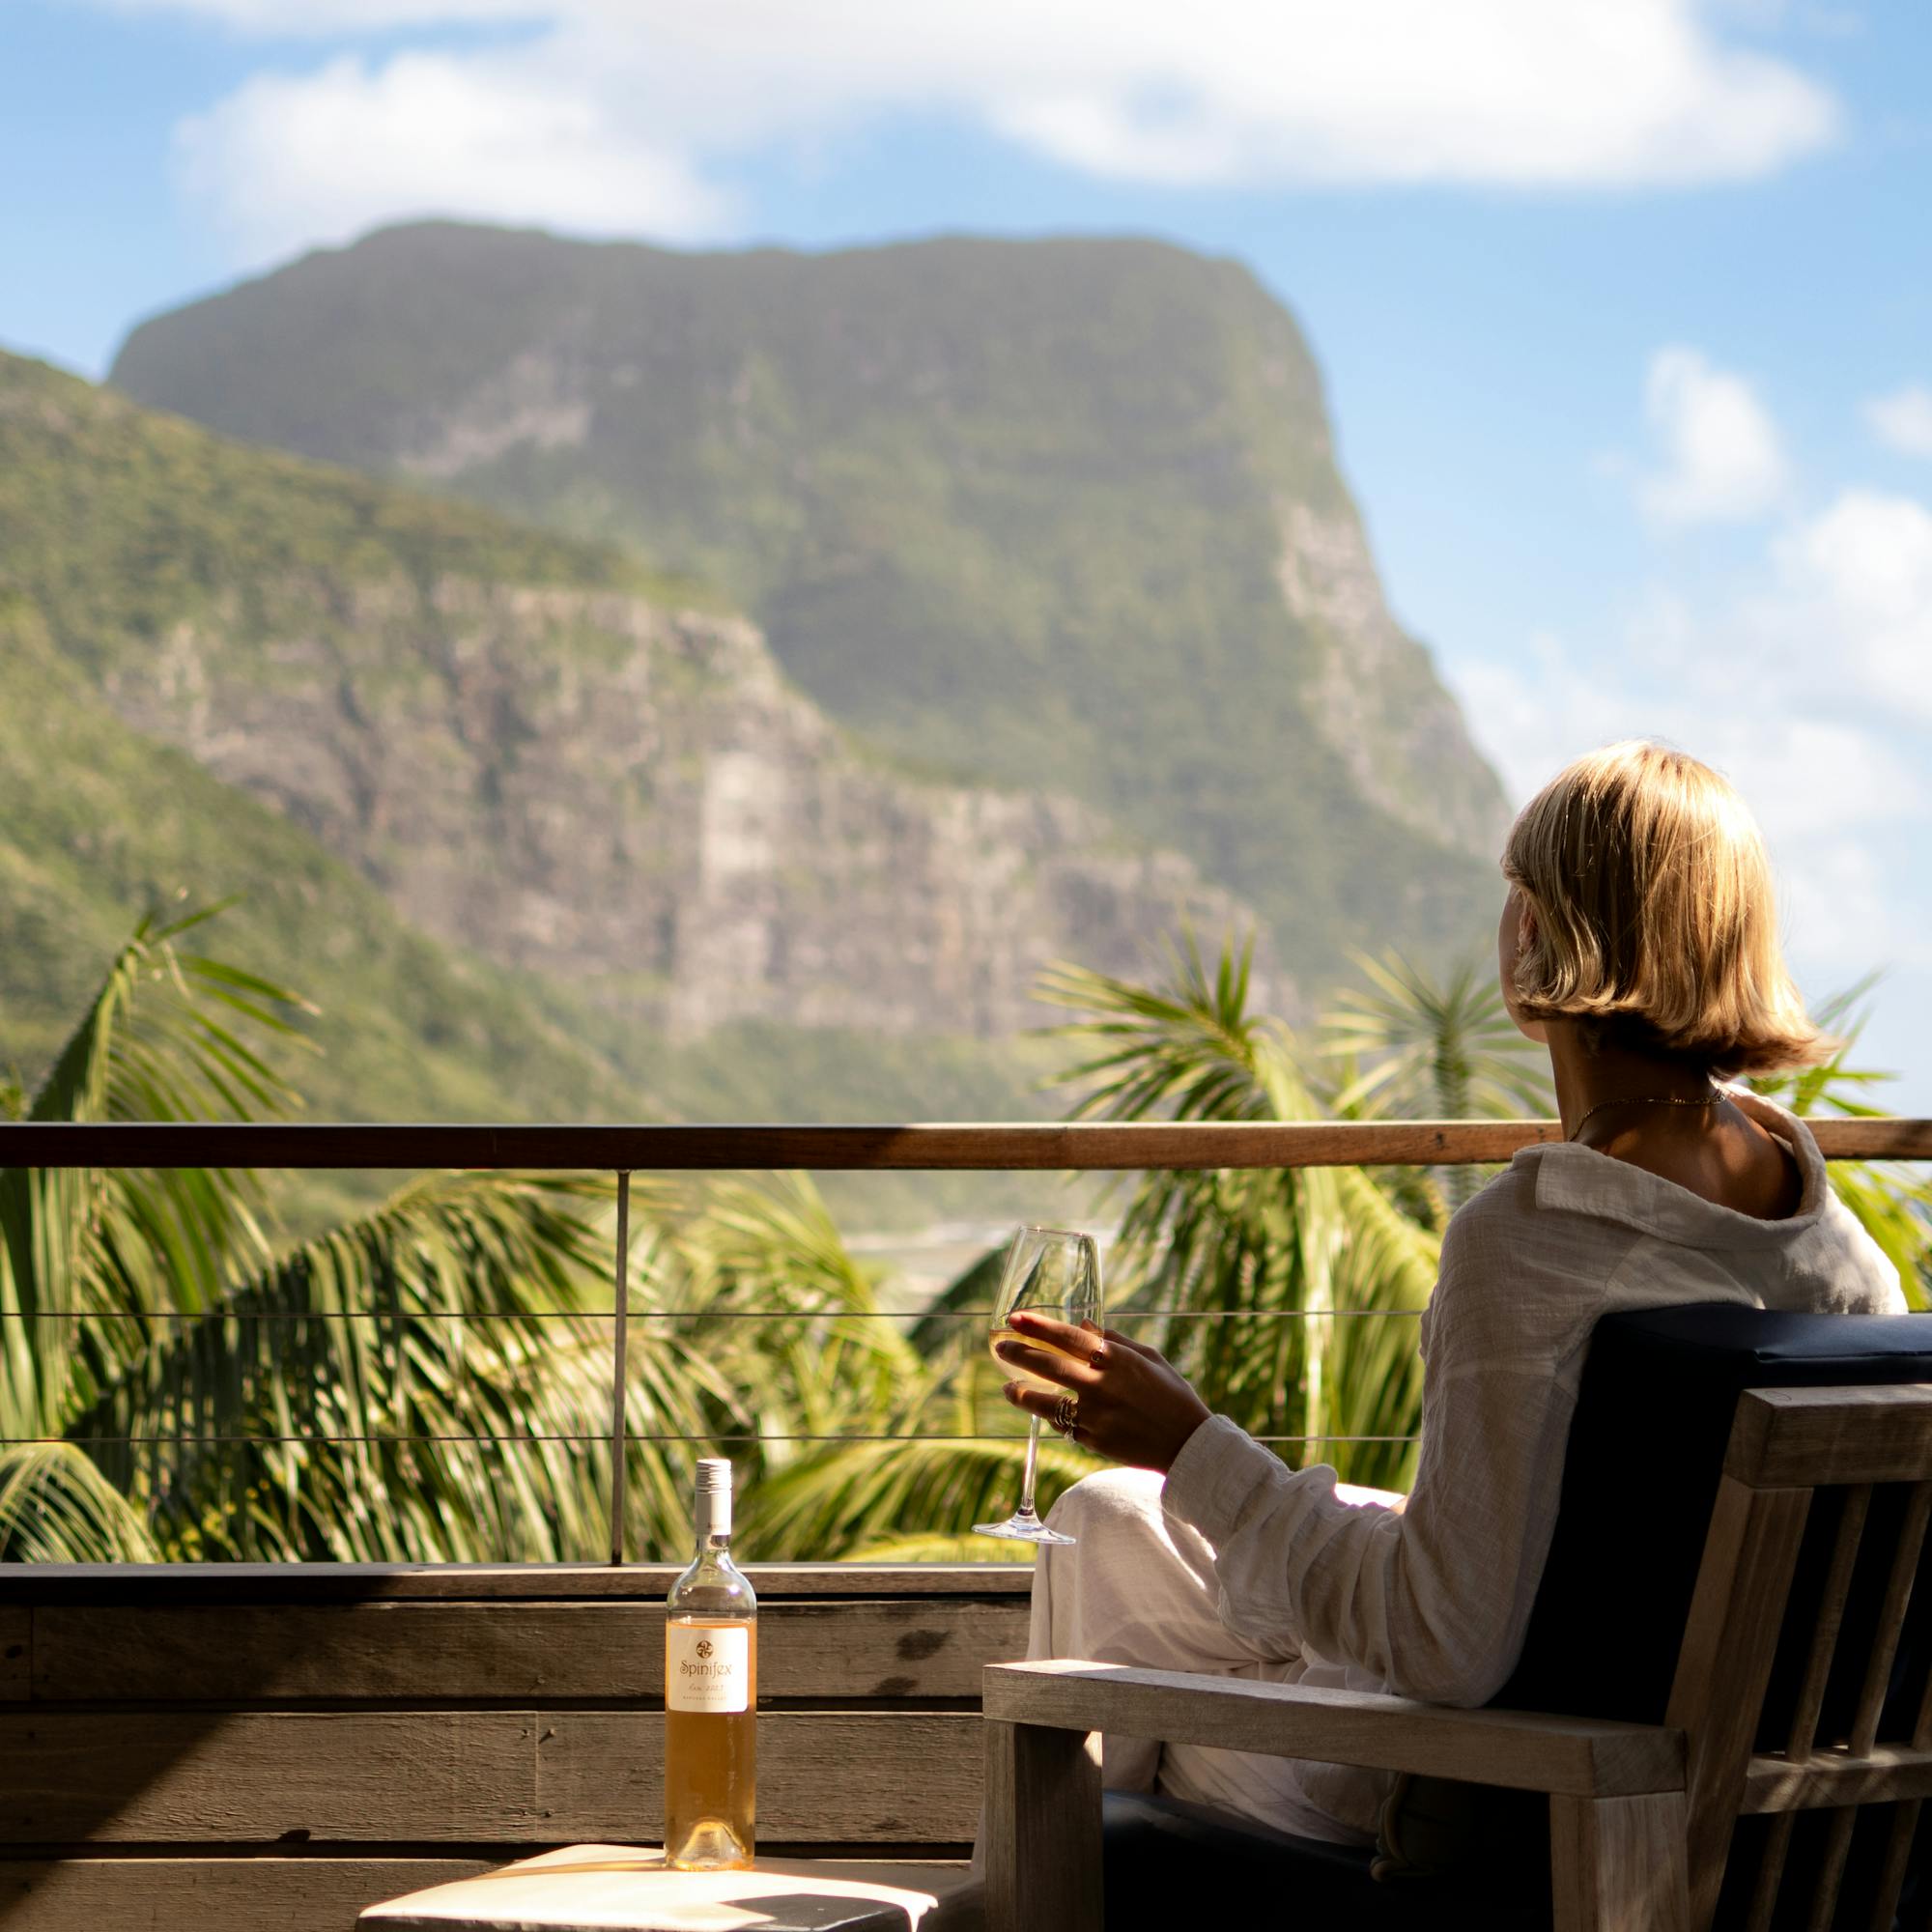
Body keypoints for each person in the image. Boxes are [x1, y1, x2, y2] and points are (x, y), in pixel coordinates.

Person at [991, 740, 1908, 1849]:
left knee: (1144, 1736)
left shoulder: (1531, 1250)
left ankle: (1068, 1874)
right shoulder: (1846, 1263)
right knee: (1106, 1520)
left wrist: (1189, 1440)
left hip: (1507, 1795)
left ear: (1531, 938)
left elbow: (1441, 1641)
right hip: (1712, 1788)